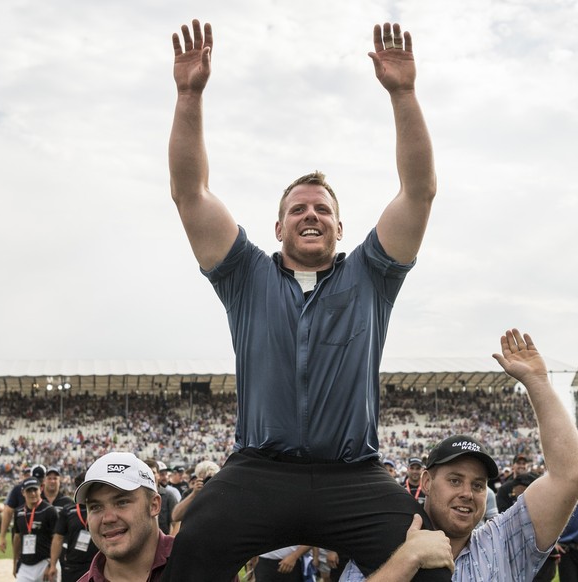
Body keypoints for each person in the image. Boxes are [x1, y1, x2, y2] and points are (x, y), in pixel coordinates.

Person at [164, 18, 441, 582]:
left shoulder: (372, 274)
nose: (310, 215)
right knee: (186, 557)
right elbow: (189, 193)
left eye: (321, 210)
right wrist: (189, 96)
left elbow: (419, 191)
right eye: (298, 209)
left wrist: (405, 96)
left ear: (342, 228)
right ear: (278, 226)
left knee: (431, 565)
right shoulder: (244, 274)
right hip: (258, 471)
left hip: (354, 476)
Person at [340, 329, 578, 582]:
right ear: (427, 482)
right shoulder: (384, 546)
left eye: (478, 485)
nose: (468, 494)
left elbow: (569, 475)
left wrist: (537, 382)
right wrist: (407, 560)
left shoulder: (503, 542)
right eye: (455, 480)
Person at [74, 451, 173, 582]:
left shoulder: (196, 561)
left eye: (122, 502)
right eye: (95, 507)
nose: (108, 518)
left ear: (154, 505)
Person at [46, 472, 99, 582]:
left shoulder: (100, 509)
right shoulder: (69, 510)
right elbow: (58, 538)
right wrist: (52, 564)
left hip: (97, 564)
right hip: (72, 566)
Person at [12, 477, 59, 582]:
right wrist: (14, 562)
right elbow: (17, 537)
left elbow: (57, 540)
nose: (32, 493)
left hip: (44, 562)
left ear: (41, 489)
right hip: (24, 564)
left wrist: (52, 564)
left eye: (35, 490)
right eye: (29, 490)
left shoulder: (50, 511)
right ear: (23, 492)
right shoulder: (18, 512)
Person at [0, 464, 46, 553]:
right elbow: (8, 512)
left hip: (42, 532)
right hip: (22, 530)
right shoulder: (18, 489)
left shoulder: (48, 490)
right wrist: (2, 536)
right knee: (19, 559)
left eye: (40, 480)